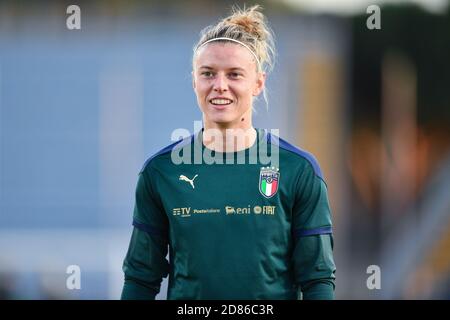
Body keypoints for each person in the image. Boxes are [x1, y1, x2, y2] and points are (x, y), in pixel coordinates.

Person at [121, 5, 336, 300]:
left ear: (258, 83)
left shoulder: (298, 170)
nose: (220, 86)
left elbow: (318, 280)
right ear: (195, 80)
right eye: (208, 74)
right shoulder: (160, 172)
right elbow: (140, 279)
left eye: (234, 74)